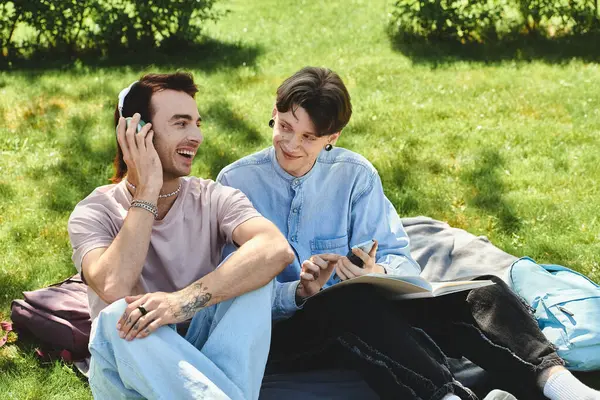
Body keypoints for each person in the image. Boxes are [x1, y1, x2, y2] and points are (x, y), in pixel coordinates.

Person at [217, 66, 600, 400]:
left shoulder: (356, 176)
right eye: (285, 127)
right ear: (274, 110)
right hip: (283, 335)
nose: (291, 144)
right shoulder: (236, 182)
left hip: (369, 316)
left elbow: (401, 260)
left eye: (308, 138)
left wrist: (377, 273)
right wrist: (299, 292)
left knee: (482, 291)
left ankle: (562, 387)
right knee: (350, 306)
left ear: (332, 137)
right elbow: (227, 291)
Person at [67, 72, 295, 400]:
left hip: (206, 354)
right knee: (118, 315)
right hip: (134, 367)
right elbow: (113, 285)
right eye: (180, 123)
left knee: (252, 267)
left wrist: (180, 303)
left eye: (197, 124)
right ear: (136, 132)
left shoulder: (214, 197)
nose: (196, 136)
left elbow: (275, 248)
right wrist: (147, 188)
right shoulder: (94, 211)